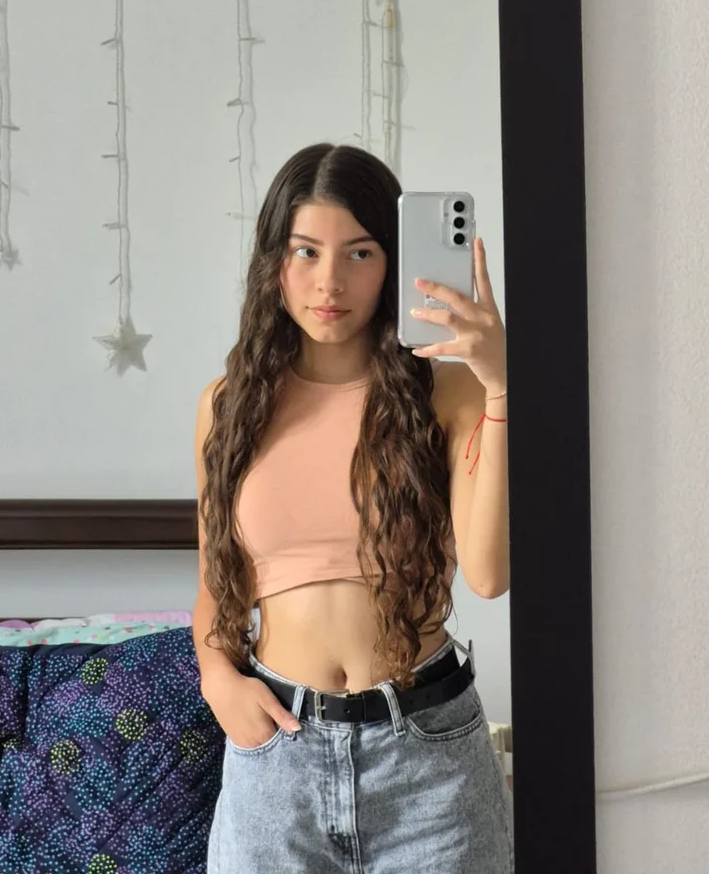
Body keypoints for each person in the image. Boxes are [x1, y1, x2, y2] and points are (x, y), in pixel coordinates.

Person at [193, 142, 513, 873]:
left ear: (392, 263)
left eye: (360, 253)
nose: (329, 280)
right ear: (273, 260)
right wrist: (217, 679)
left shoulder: (451, 392)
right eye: (305, 251)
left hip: (429, 764)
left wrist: (499, 384)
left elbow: (490, 574)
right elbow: (217, 580)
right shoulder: (227, 406)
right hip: (277, 762)